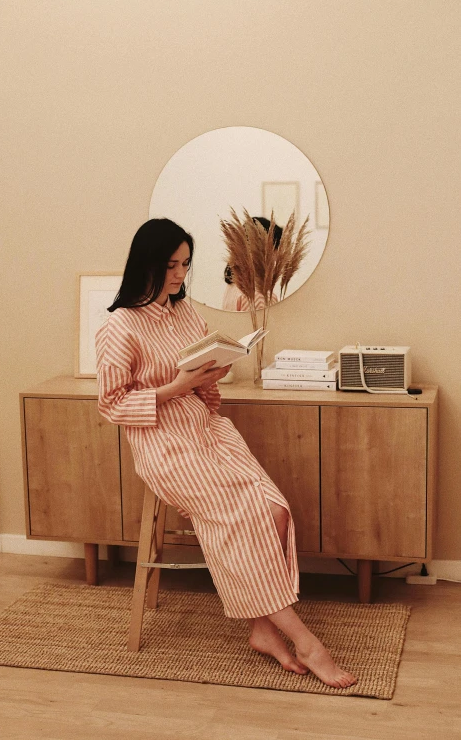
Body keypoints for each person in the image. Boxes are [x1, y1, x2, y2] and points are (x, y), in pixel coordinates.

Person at [96, 218, 357, 689]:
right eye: (171, 264)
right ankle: (305, 641)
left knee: (274, 510)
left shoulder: (186, 316)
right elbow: (111, 404)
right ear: (146, 263)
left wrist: (209, 379)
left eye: (185, 264)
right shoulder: (120, 326)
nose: (179, 274)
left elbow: (202, 385)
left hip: (209, 430)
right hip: (164, 442)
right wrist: (174, 387)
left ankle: (261, 629)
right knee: (239, 516)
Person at [222, 217, 280, 311]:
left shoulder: (233, 287)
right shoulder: (259, 296)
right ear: (263, 249)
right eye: (276, 248)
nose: (276, 257)